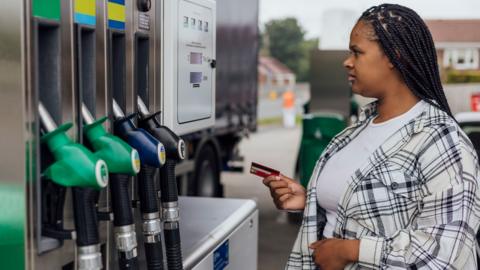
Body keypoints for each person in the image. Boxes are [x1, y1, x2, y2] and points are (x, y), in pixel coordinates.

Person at [263, 4, 480, 269]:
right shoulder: (357, 129)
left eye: (357, 52)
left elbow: (444, 254)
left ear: (394, 56)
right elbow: (368, 207)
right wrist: (310, 201)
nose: (347, 61)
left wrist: (350, 250)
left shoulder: (443, 143)